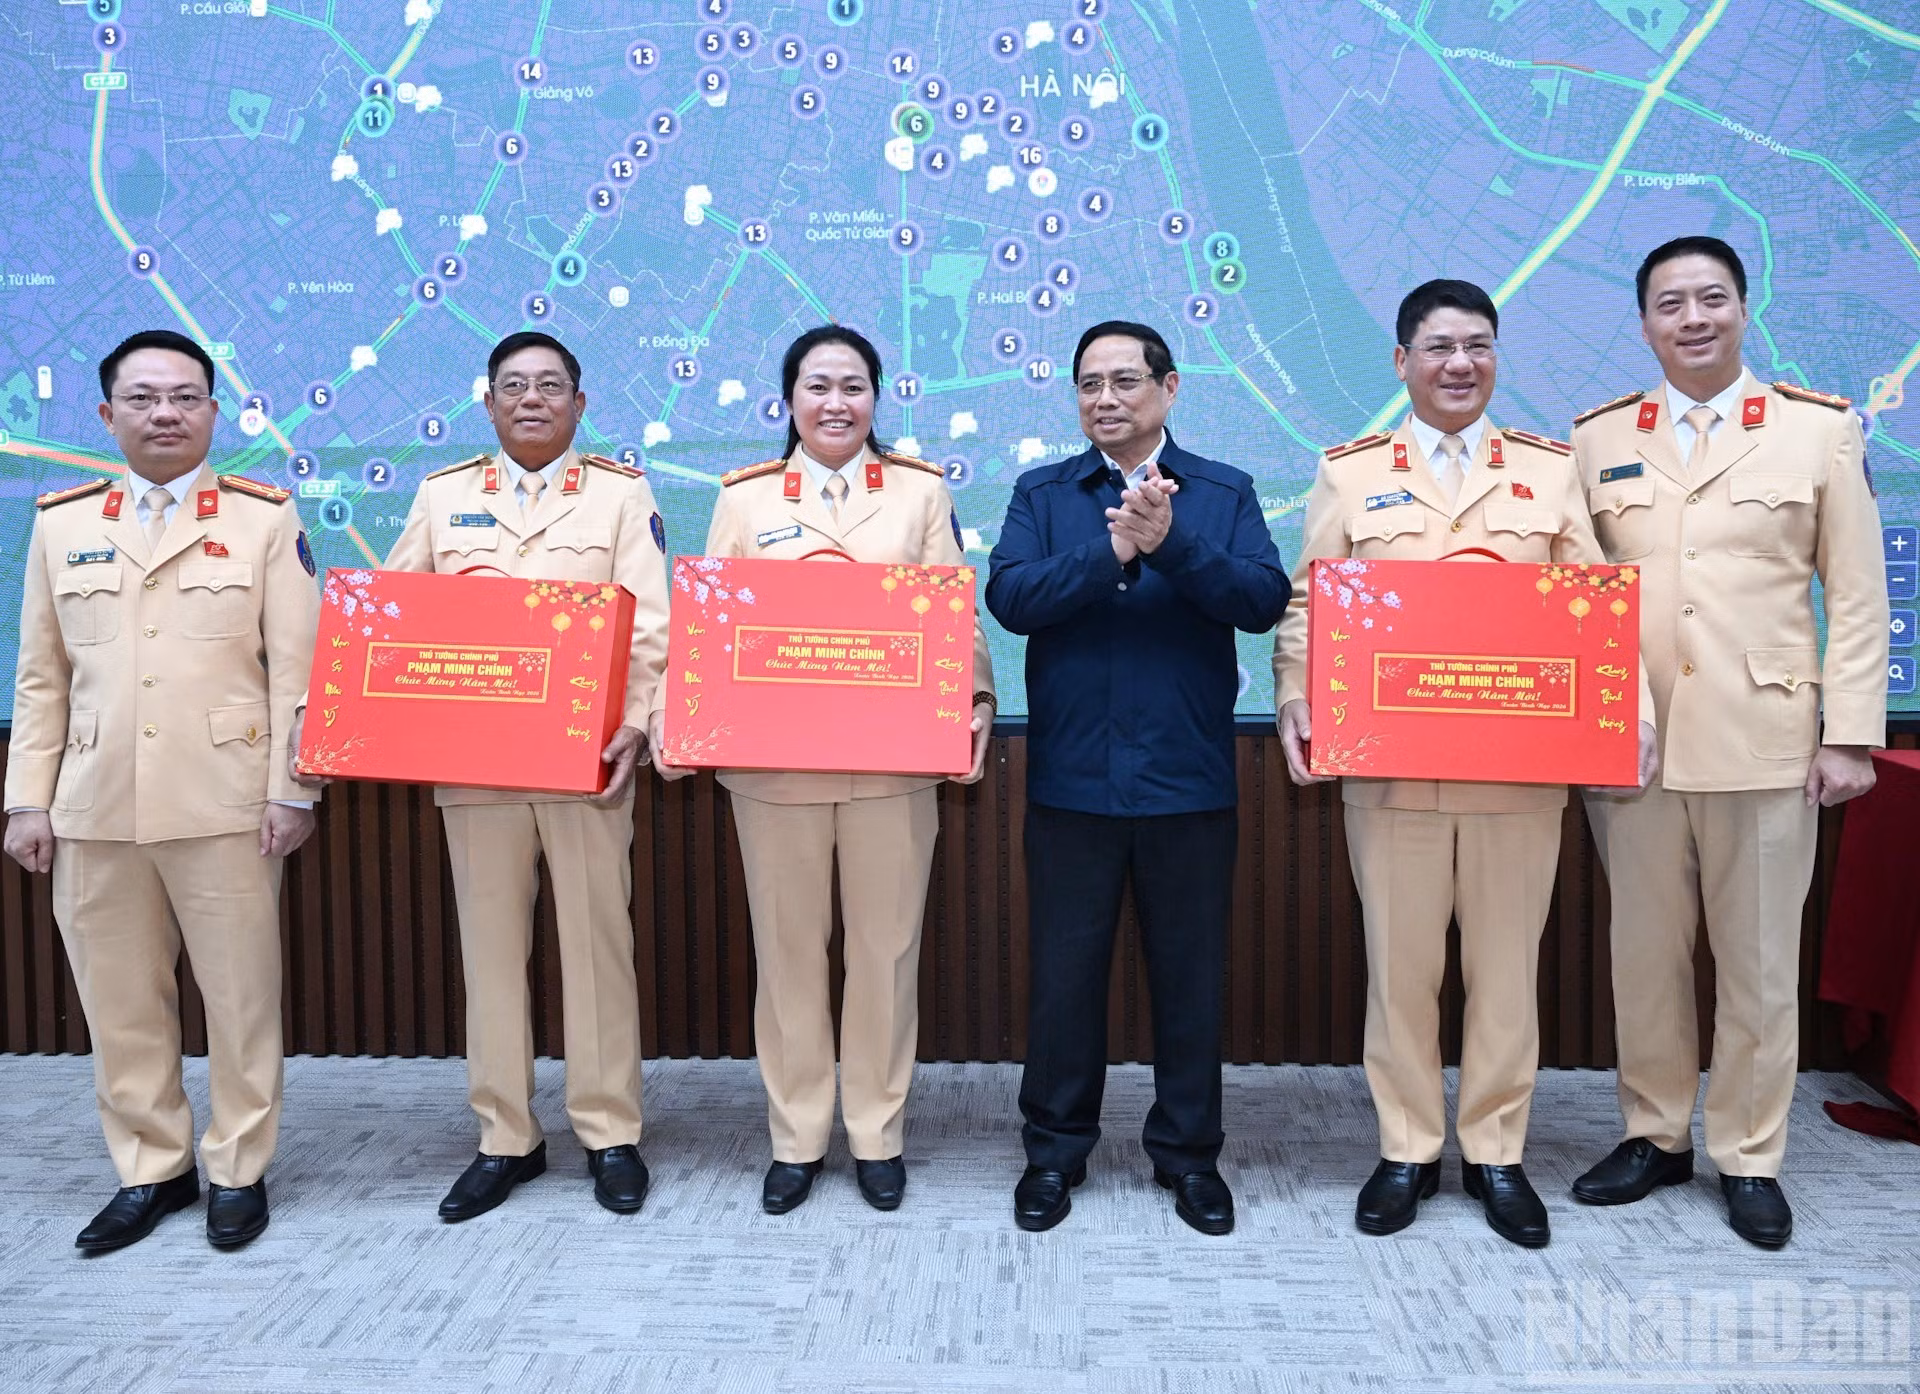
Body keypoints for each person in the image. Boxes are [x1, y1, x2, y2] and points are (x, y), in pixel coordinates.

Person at [1273, 280, 1658, 1249]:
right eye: (1439, 346)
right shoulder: (1352, 473)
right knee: (1399, 971)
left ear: (1494, 358)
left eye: (1478, 346)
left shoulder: (1547, 473)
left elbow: (1597, 610)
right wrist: (1294, 696)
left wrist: (1630, 716)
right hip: (1392, 774)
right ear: (1401, 362)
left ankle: (1495, 1150)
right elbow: (1310, 603)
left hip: (1518, 774)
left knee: (1504, 971)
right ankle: (1405, 1146)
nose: (1459, 363)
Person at [1570, 236, 1888, 1248]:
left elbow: (1858, 593)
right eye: (1671, 303)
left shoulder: (1816, 432)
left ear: (1744, 308)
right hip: (1636, 748)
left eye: (1712, 298)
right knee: (1644, 956)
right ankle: (1656, 1133)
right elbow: (1577, 596)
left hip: (1768, 742)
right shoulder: (1598, 439)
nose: (1693, 317)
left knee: (1757, 965)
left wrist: (1850, 736)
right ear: (1646, 322)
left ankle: (1750, 1152)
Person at [652, 325, 994, 1215]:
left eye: (853, 386)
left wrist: (980, 705)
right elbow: (709, 625)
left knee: (884, 956)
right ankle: (797, 1137)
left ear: (877, 399)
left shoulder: (920, 494)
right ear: (789, 400)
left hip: (893, 769)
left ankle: (879, 1134)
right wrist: (681, 716)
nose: (835, 402)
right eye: (817, 386)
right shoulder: (746, 500)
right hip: (774, 773)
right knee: (789, 957)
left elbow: (953, 613)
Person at [2, 329, 319, 1252]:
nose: (165, 413)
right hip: (94, 801)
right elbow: (39, 677)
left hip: (225, 799)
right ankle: (152, 1168)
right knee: (120, 999)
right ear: (108, 415)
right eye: (143, 398)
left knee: (240, 996)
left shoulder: (264, 517)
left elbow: (295, 675)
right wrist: (28, 798)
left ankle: (238, 1168)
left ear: (215, 413)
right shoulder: (63, 524)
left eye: (184, 397)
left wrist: (292, 790)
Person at [986, 319, 1288, 1236]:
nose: (1105, 399)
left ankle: (1190, 1157)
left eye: (1124, 381)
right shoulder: (1043, 493)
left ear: (1168, 388)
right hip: (1071, 782)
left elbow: (1261, 599)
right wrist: (1113, 551)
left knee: (1189, 978)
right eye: (1089, 384)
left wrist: (1173, 546)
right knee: (1064, 978)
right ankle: (1053, 1155)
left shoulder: (1225, 493)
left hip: (1187, 782)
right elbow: (1011, 597)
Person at [371, 330, 670, 1221]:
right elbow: (395, 615)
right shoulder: (442, 496)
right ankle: (505, 1136)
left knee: (595, 946)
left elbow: (652, 623)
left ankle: (609, 1131)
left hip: (588, 765)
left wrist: (637, 725)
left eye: (551, 386)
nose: (531, 399)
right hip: (475, 765)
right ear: (488, 403)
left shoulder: (620, 495)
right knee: (492, 953)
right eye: (514, 386)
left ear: (581, 405)